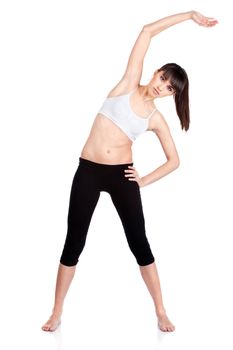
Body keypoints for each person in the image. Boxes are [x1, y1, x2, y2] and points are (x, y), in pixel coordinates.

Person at [42, 10, 218, 333]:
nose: (161, 87)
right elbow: (147, 31)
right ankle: (56, 312)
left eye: (168, 89)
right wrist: (190, 15)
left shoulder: (155, 119)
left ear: (171, 96)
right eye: (163, 78)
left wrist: (144, 180)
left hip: (122, 176)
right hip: (89, 171)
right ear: (155, 72)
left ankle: (161, 311)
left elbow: (174, 160)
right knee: (73, 242)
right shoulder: (127, 83)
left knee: (140, 243)